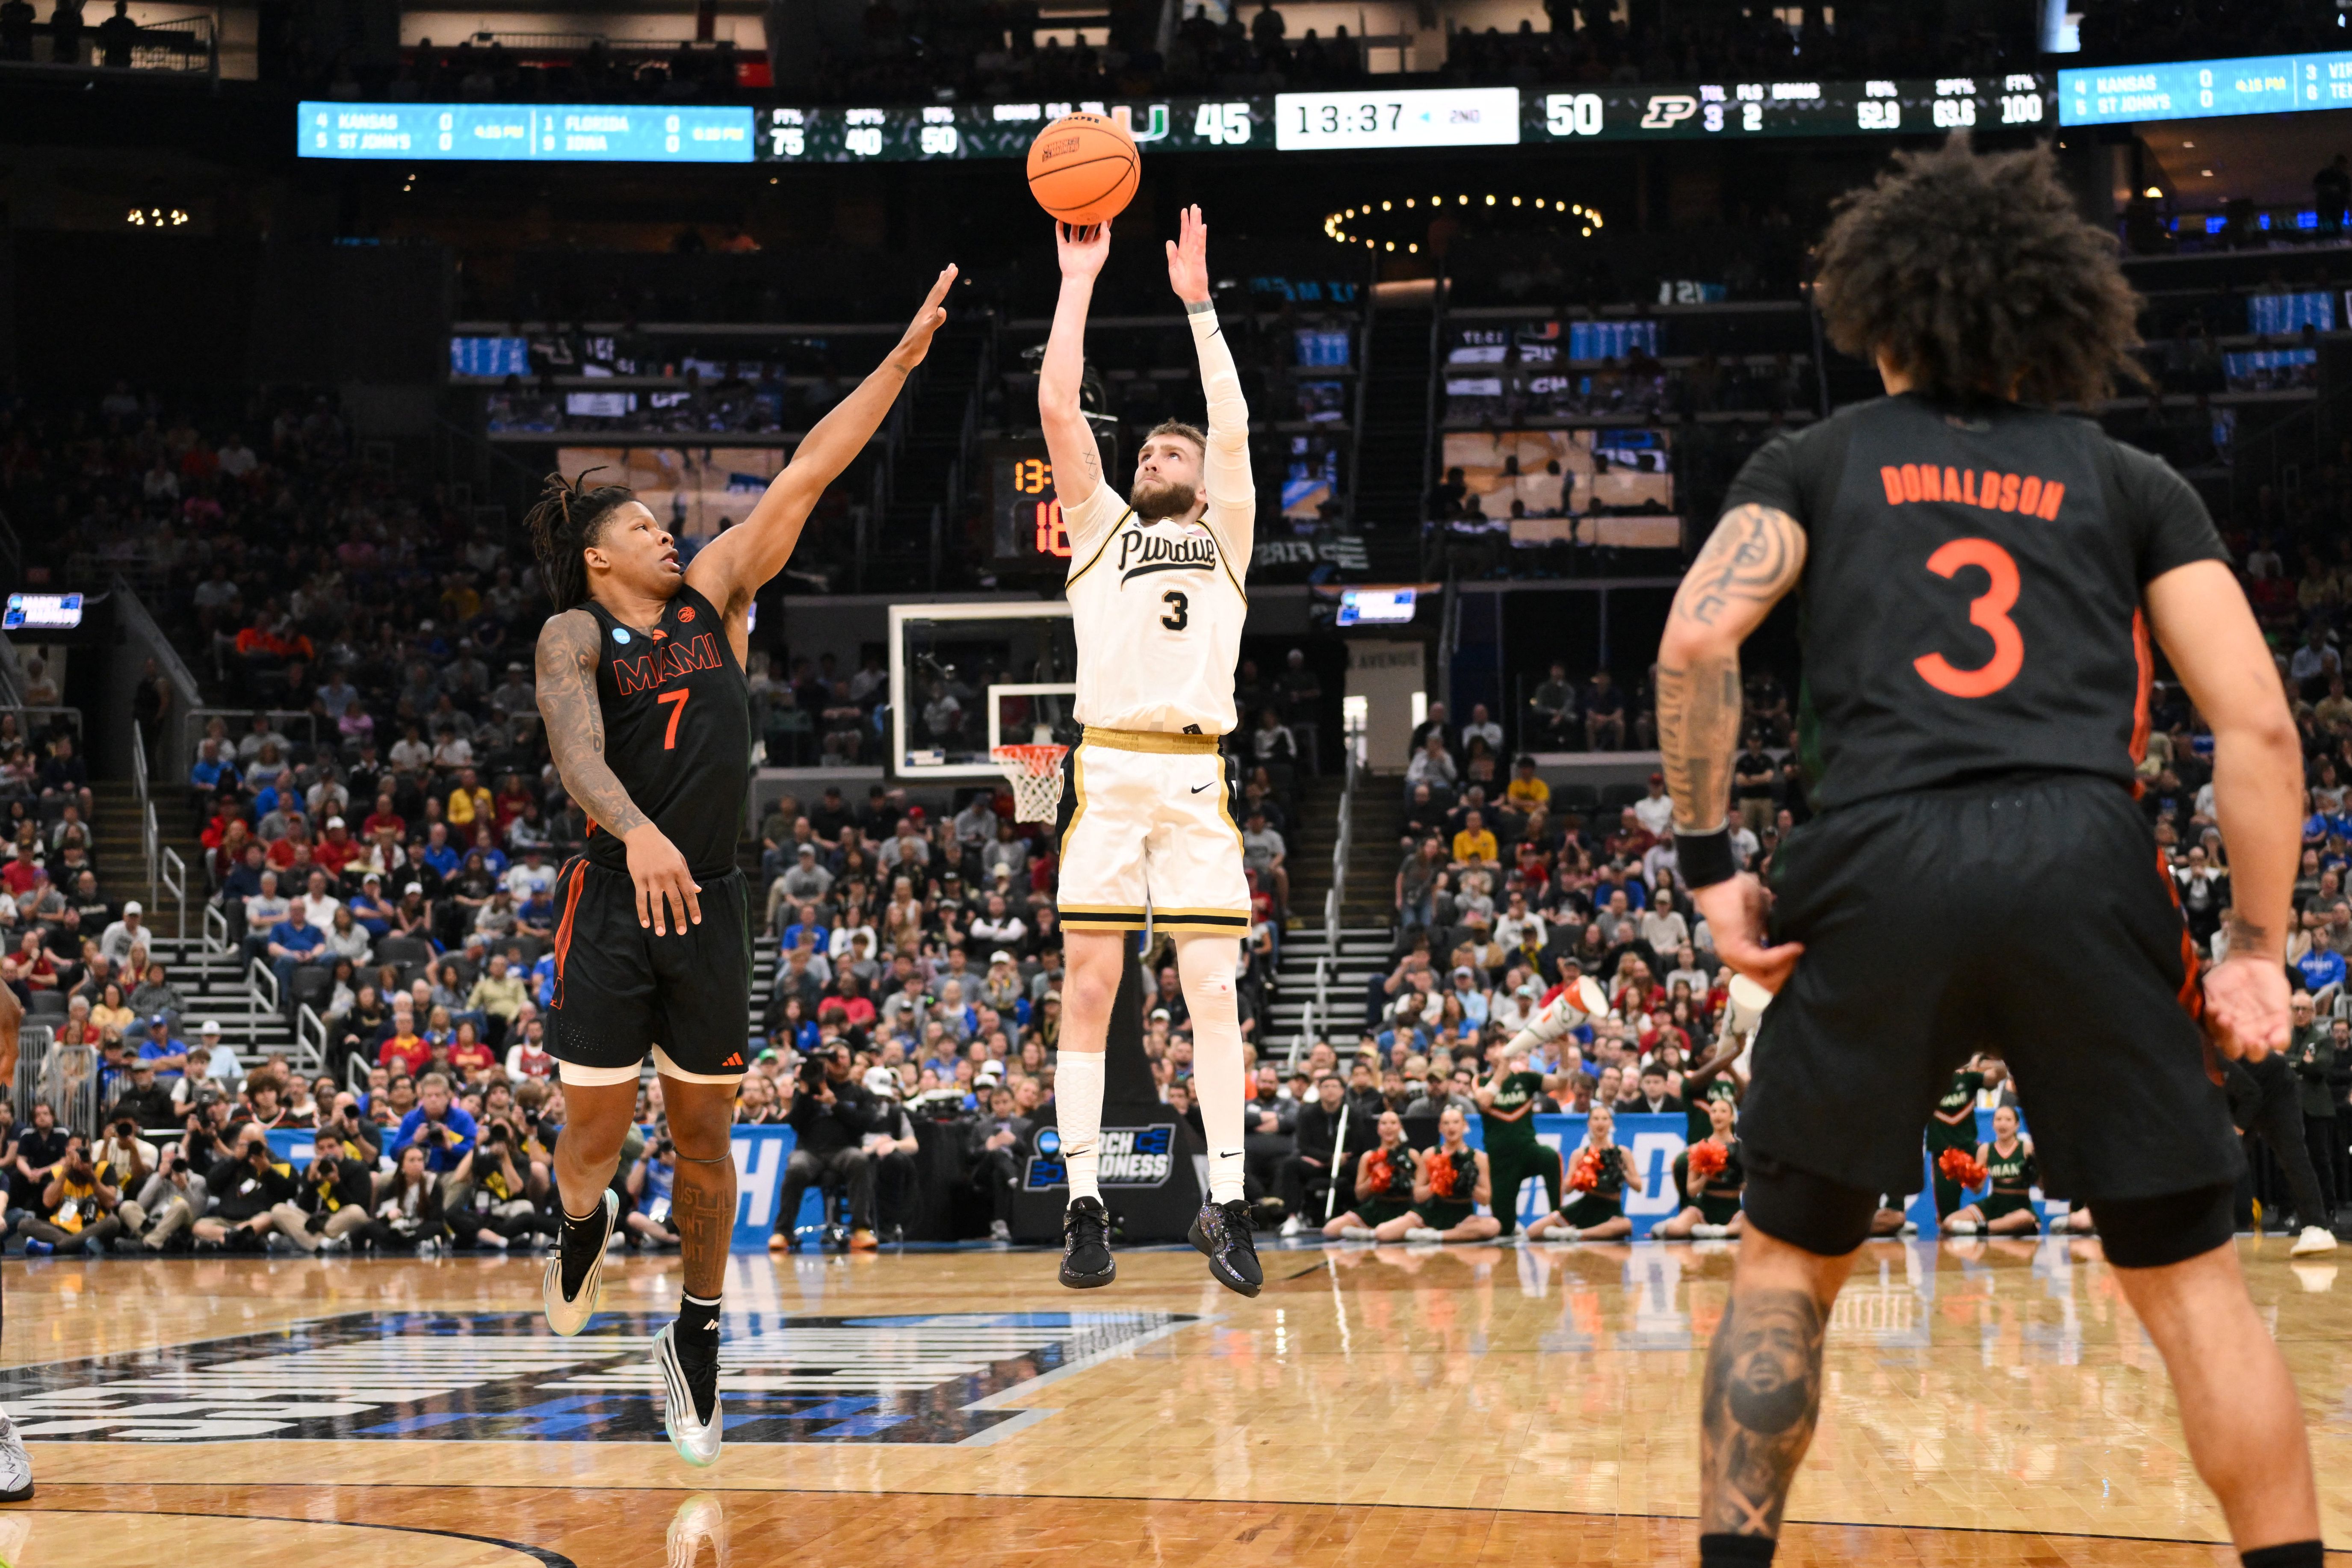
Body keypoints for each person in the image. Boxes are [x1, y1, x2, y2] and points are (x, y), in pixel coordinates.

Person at [1652, 139, 2317, 1568]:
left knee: (1789, 1262)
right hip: (2082, 852)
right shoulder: (2130, 478)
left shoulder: (1817, 460)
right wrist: (2257, 945)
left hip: (1875, 855)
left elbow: (1700, 635)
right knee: (2193, 1280)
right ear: (2049, 316)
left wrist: (1711, 867)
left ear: (1883, 312)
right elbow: (2258, 727)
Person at [526, 265, 948, 1469]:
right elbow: (572, 750)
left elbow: (812, 465)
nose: (668, 530)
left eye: (665, 522)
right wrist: (636, 827)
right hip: (614, 901)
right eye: (640, 527)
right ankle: (576, 1225)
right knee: (596, 1144)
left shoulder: (718, 597)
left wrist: (904, 358)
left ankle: (697, 1341)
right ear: (600, 561)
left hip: (714, 904)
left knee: (706, 1143)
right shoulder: (573, 633)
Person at [1039, 205, 1261, 1299]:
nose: (1151, 455)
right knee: (1090, 984)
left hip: (1195, 776)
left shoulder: (1225, 529)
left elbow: (1231, 427)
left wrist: (1197, 307)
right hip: (1108, 769)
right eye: (1145, 449)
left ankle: (1224, 1195)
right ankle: (1084, 1201)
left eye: (1165, 448)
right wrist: (1078, 280)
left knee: (1210, 989)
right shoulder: (1101, 529)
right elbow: (1055, 411)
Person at [1372, 1104, 1500, 1243]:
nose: (1451, 1127)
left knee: (1493, 1226)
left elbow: (1486, 1200)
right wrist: (1437, 1183)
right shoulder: (1430, 1154)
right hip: (1432, 1211)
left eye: (1456, 1122)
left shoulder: (1479, 1158)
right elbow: (1418, 1196)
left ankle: (1438, 1236)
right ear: (1440, 1128)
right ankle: (1436, 1232)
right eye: (1446, 1123)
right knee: (1382, 1233)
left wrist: (1469, 1184)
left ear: (1465, 1125)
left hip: (1462, 1215)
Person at [1473, 1047, 1561, 1237]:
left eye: (1504, 1046)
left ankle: (1557, 1219)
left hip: (1527, 1150)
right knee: (1504, 1228)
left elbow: (1560, 1083)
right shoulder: (1480, 1080)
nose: (1501, 1051)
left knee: (1550, 1157)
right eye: (1495, 1047)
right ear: (1487, 1056)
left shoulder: (1526, 1078)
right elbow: (1485, 1102)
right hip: (1500, 1161)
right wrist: (1503, 1068)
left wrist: (1564, 1048)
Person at [1527, 1102, 1643, 1242]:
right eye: (1596, 1119)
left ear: (1611, 1123)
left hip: (1611, 1209)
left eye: (1605, 1119)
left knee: (1626, 1226)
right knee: (1533, 1231)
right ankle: (1577, 1232)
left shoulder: (1622, 1153)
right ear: (1589, 1123)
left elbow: (1639, 1186)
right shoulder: (1580, 1154)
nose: (1600, 1123)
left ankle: (1577, 1234)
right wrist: (1580, 1176)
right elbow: (1567, 1189)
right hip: (1585, 1206)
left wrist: (1623, 1172)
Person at [1941, 1104, 2039, 1237]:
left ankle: (1983, 1228)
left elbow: (2042, 1187)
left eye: (2008, 1120)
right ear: (1993, 1125)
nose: (2003, 1123)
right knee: (1949, 1222)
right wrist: (1963, 1174)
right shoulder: (1986, 1150)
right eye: (1998, 1120)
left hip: (2020, 1205)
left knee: (2025, 1219)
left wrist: (2036, 1175)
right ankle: (1994, 1228)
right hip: (1994, 1204)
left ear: (2017, 1125)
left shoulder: (2027, 1148)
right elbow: (1978, 1190)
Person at [1658, 1094, 1747, 1239]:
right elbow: (1692, 1191)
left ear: (1732, 1117)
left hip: (1733, 1208)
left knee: (1754, 1229)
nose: (1718, 1115)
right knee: (1675, 1231)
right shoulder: (1699, 1148)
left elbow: (1750, 1187)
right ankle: (1676, 1224)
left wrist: (1738, 1180)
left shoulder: (1742, 1149)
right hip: (1705, 1207)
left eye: (1723, 1111)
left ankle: (1720, 1231)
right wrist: (1706, 1177)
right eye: (1714, 1111)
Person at [1322, 1109, 1416, 1239]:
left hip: (1405, 1207)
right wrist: (1375, 1177)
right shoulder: (1369, 1157)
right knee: (1330, 1229)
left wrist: (1407, 1177)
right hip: (1377, 1207)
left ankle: (1381, 1233)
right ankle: (1371, 1234)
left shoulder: (1413, 1155)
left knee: (1387, 1233)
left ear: (1400, 1128)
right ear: (1378, 1129)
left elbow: (1420, 1192)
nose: (1389, 1127)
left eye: (1393, 1123)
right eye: (1384, 1123)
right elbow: (1360, 1196)